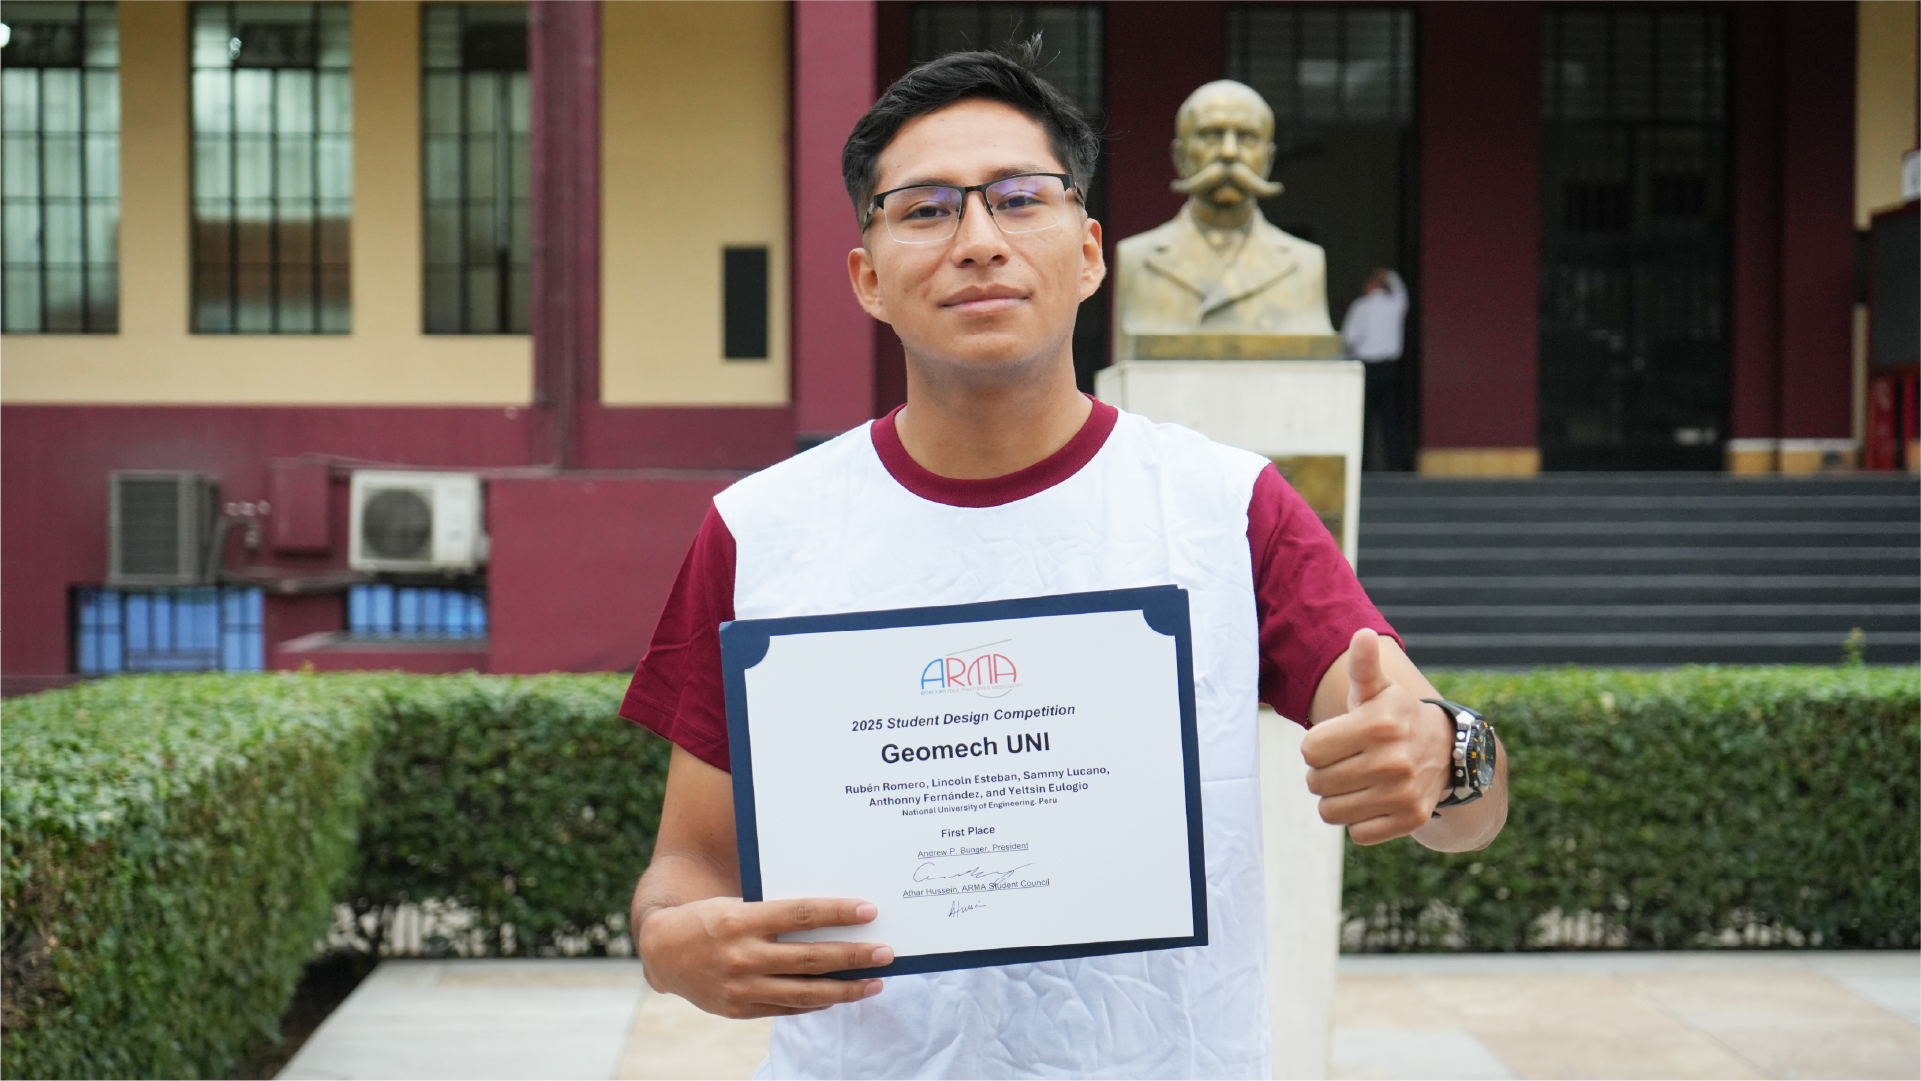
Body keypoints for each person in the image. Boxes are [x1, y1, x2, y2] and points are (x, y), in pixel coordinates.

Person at [622, 47, 1506, 1080]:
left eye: (1018, 198)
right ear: (867, 278)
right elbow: (688, 860)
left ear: (1088, 253)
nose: (978, 241)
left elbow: (1465, 803)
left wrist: (1445, 753)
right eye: (923, 210)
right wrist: (668, 940)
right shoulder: (759, 529)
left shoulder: (1225, 509)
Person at [1341, 268, 1410, 471]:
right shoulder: (1395, 304)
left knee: (1364, 421)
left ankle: (1363, 468)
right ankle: (1396, 467)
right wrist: (1387, 274)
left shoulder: (1361, 306)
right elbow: (1400, 289)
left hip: (1367, 369)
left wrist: (1343, 361)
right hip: (1390, 369)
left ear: (1373, 285)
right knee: (1391, 421)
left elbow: (1350, 339)